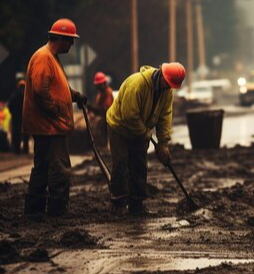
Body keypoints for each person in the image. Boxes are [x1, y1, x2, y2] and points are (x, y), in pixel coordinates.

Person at [22, 18, 87, 216]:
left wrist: (73, 96)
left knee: (42, 167)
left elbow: (56, 87)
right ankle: (58, 211)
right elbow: (40, 91)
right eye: (70, 40)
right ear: (60, 38)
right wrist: (57, 110)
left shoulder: (51, 57)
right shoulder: (44, 57)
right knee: (59, 168)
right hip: (50, 126)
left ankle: (35, 210)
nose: (72, 44)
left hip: (48, 126)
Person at [106, 62, 185, 214]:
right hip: (119, 127)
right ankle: (118, 202)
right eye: (168, 84)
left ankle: (136, 202)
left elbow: (165, 117)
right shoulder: (137, 84)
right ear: (162, 75)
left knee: (140, 164)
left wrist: (163, 144)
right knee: (121, 162)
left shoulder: (167, 90)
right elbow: (129, 116)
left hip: (141, 128)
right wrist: (145, 134)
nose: (169, 88)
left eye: (172, 86)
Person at [89, 72, 114, 147]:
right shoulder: (100, 94)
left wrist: (92, 108)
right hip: (102, 119)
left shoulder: (108, 93)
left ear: (104, 83)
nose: (98, 87)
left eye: (99, 85)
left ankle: (104, 148)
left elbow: (104, 110)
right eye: (97, 85)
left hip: (106, 121)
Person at [8, 79, 29, 154]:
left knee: (16, 133)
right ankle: (25, 149)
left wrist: (13, 113)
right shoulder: (27, 95)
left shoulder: (15, 94)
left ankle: (17, 150)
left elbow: (10, 105)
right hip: (24, 117)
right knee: (25, 133)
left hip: (16, 117)